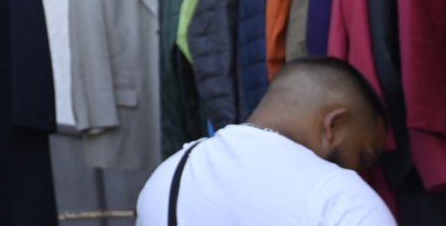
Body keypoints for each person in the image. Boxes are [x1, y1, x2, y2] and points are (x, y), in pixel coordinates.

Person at [136, 57, 394, 226]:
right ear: (334, 125)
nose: (360, 171)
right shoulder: (339, 197)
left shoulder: (168, 178)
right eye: (363, 157)